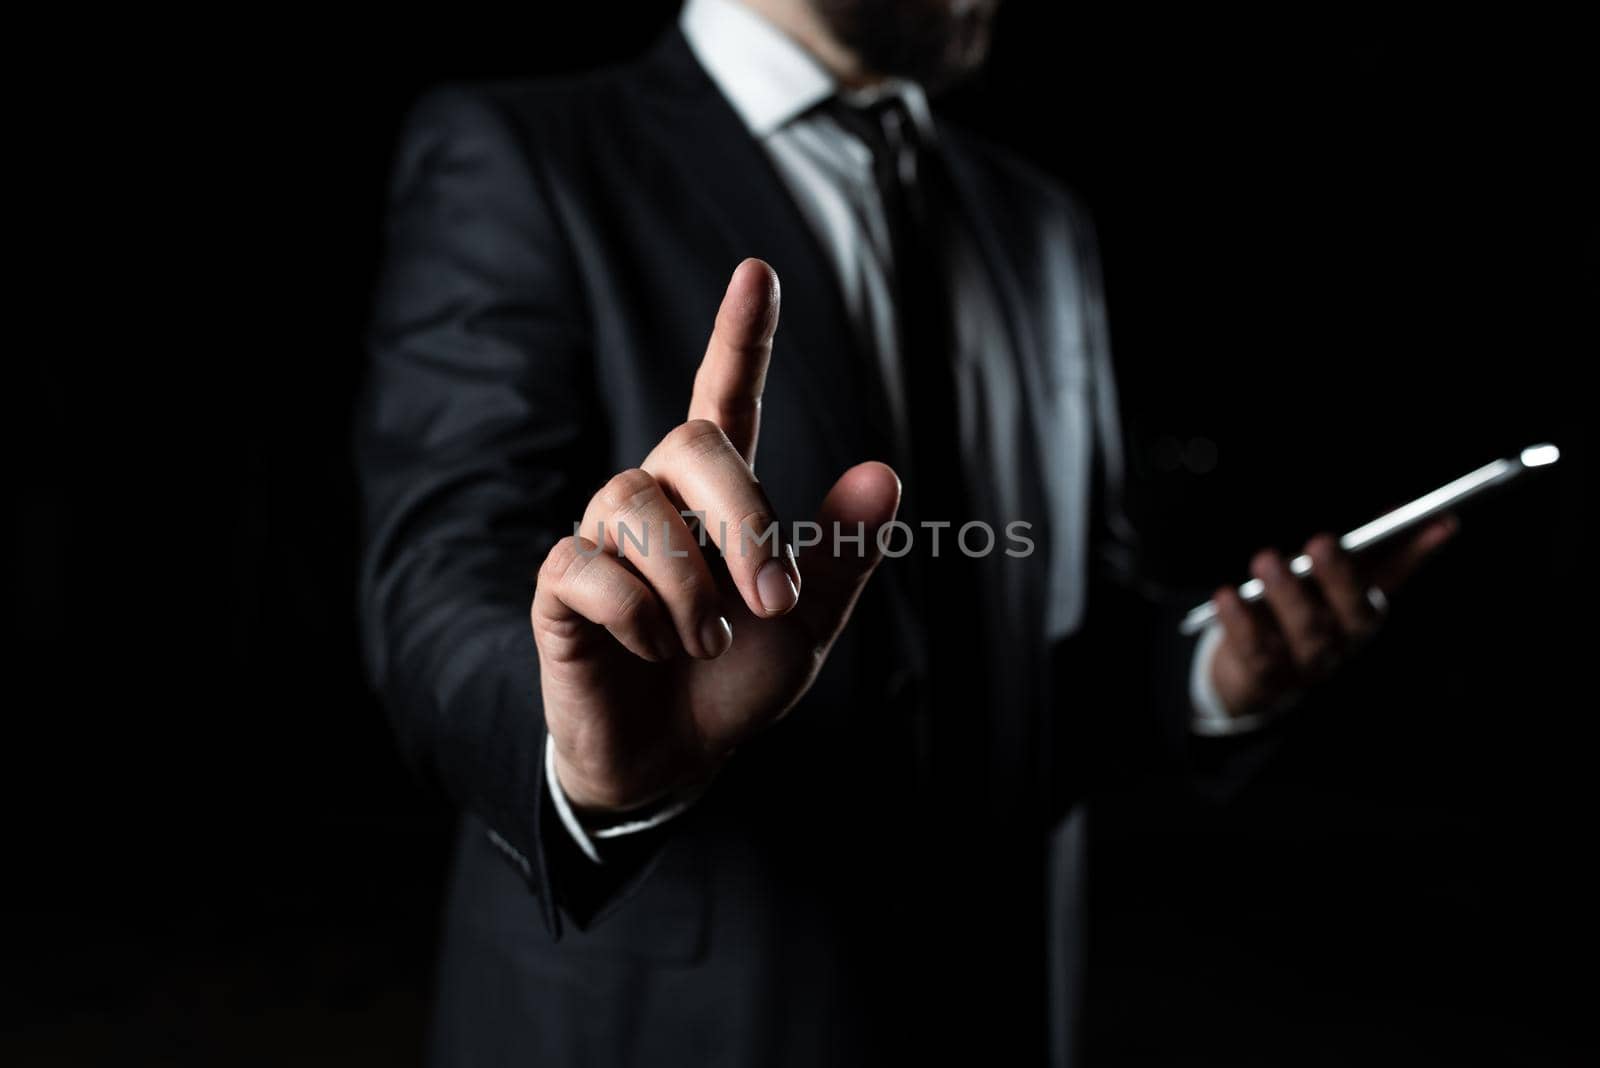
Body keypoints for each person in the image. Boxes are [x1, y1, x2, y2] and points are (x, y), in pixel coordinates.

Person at [354, 1, 1455, 1064]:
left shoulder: (1037, 221)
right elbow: (441, 567)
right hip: (673, 1018)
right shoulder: (526, 153)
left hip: (1000, 1006)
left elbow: (1074, 604)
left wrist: (1215, 672)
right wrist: (580, 757)